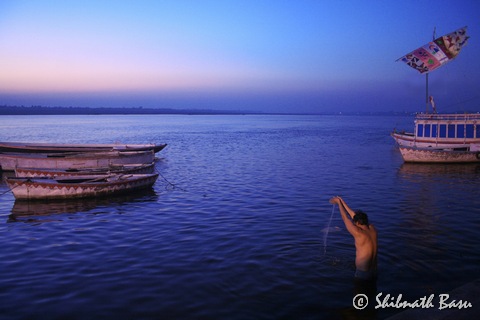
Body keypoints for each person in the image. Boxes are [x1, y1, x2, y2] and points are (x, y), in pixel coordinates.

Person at [329, 196, 377, 280]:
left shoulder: (358, 233)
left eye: (355, 223)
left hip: (362, 273)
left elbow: (345, 218)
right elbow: (355, 216)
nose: (354, 224)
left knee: (359, 292)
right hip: (373, 271)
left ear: (357, 222)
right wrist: (341, 201)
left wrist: (339, 204)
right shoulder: (372, 229)